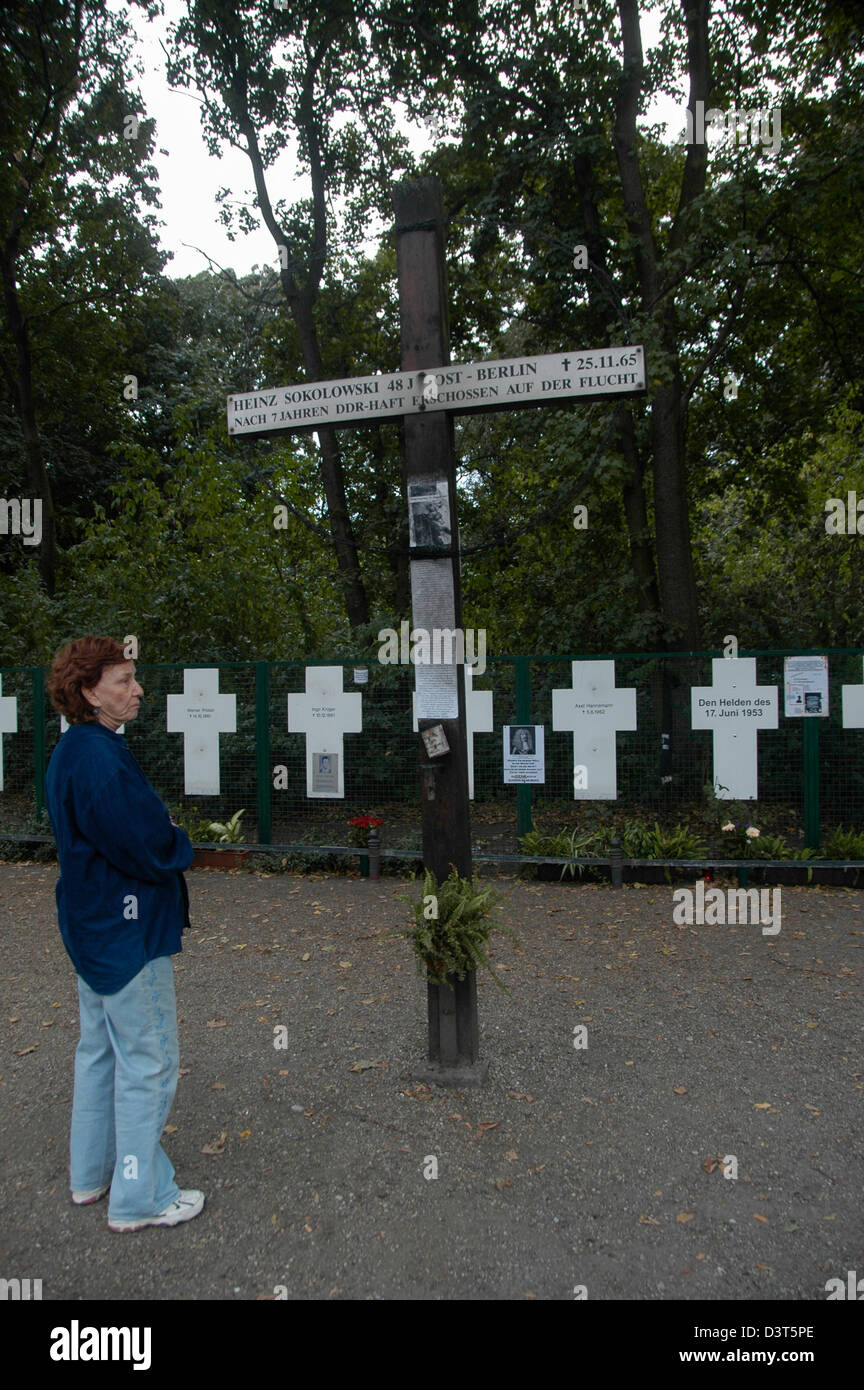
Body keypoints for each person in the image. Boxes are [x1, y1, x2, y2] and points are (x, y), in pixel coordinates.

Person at [44, 636, 204, 1233]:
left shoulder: (74, 750)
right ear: (88, 691)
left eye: (134, 678)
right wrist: (178, 842)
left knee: (100, 1052)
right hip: (125, 928)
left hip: (92, 928)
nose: (137, 690)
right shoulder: (98, 758)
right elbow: (142, 844)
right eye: (123, 680)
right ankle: (141, 1198)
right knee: (150, 1060)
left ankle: (91, 1175)